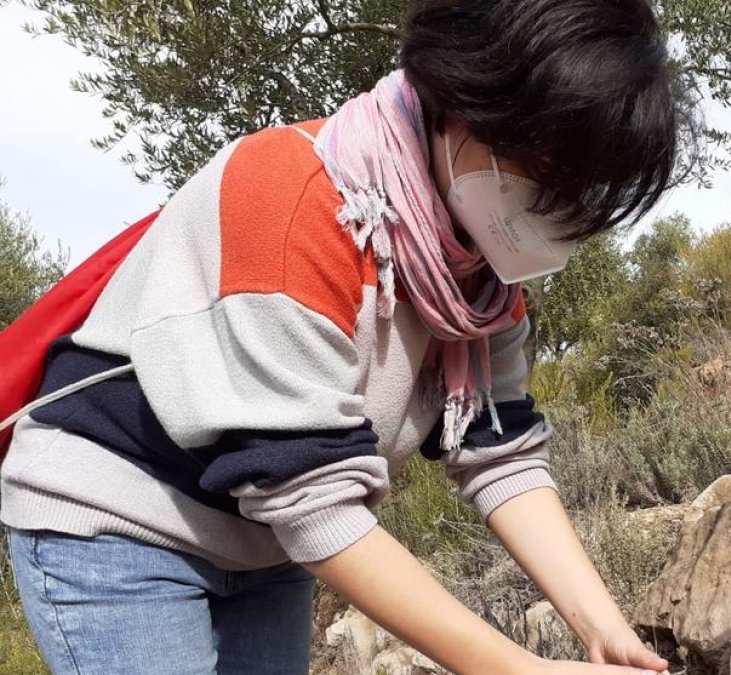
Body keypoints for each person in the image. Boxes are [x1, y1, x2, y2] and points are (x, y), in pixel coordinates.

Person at [0, 0, 689, 673]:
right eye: (547, 173)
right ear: (465, 101)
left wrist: (605, 629)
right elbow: (310, 494)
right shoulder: (291, 199)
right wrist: (515, 668)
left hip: (263, 537)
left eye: (583, 193)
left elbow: (499, 453)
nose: (560, 210)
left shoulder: (475, 281)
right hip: (120, 520)